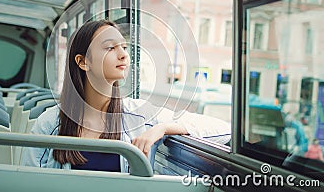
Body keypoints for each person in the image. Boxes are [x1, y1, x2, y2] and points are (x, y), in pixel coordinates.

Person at [21, 19, 230, 172]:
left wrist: (163, 128)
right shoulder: (49, 125)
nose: (123, 54)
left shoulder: (138, 116)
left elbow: (222, 130)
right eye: (110, 47)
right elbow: (28, 184)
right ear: (83, 62)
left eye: (124, 47)